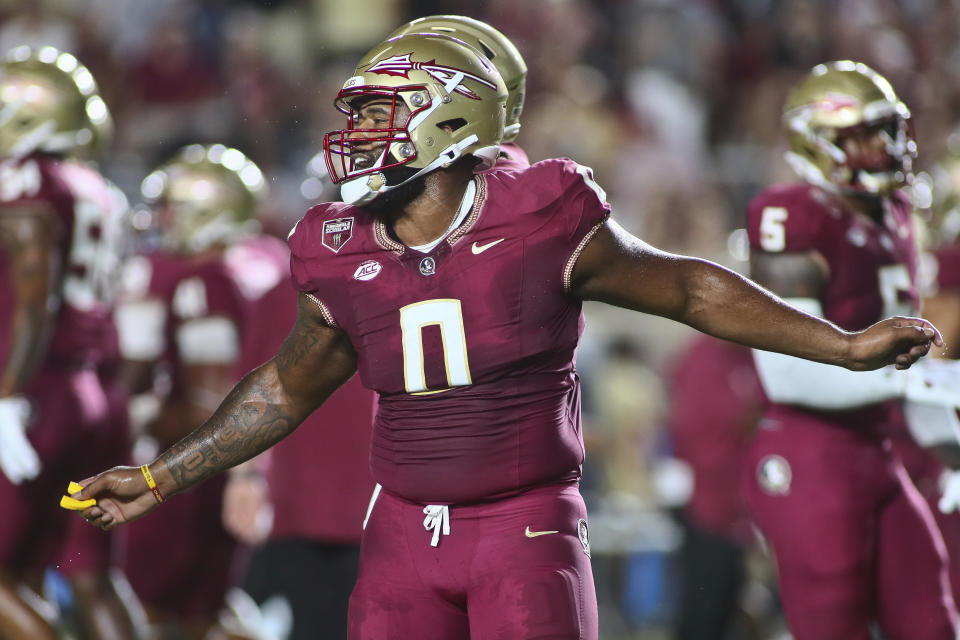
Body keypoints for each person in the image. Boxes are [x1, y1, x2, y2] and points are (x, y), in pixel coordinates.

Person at [74, 35, 942, 640]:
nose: (356, 134)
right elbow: (283, 387)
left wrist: (842, 344)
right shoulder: (335, 246)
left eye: (384, 111)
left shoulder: (542, 216)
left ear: (454, 123)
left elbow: (686, 285)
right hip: (402, 532)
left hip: (523, 527)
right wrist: (162, 475)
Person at [742, 60, 960, 640]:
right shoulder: (790, 214)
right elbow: (788, 375)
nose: (882, 148)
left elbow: (912, 363)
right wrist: (916, 379)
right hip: (811, 456)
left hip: (878, 449)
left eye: (887, 130)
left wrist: (953, 449)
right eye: (862, 134)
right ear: (818, 142)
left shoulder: (892, 214)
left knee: (933, 620)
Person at [0, 46, 142, 640]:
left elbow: (35, 296)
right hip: (98, 392)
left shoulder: (24, 181)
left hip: (38, 389)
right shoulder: (102, 190)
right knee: (84, 575)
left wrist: (8, 396)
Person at [112, 144, 263, 640]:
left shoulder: (205, 281)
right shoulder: (235, 271)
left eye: (174, 209)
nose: (162, 220)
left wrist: (137, 415)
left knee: (155, 607)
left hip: (188, 470)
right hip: (220, 467)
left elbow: (209, 404)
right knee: (202, 611)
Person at [665, 334, 764, 640]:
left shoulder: (749, 356)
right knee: (703, 608)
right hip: (707, 504)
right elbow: (690, 429)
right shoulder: (705, 359)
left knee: (728, 605)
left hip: (740, 505)